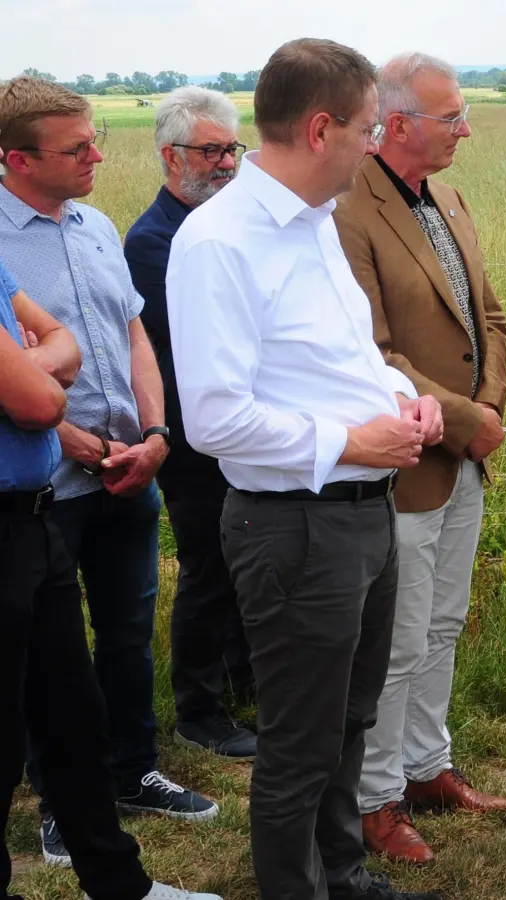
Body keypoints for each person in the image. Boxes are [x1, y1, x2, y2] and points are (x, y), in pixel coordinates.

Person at [166, 38, 445, 900]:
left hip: (363, 512)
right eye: (368, 128)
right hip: (296, 526)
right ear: (321, 129)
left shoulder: (318, 222)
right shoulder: (220, 242)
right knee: (300, 739)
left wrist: (406, 398)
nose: (376, 144)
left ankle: (341, 871)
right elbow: (215, 418)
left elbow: (343, 361)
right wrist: (352, 443)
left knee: (350, 717)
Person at [0, 75, 216, 868]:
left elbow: (133, 337)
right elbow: (15, 383)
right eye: (77, 147)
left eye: (96, 138)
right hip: (47, 485)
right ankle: (59, 803)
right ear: (18, 159)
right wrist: (77, 442)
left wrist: (155, 434)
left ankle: (133, 771)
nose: (97, 155)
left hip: (131, 468)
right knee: (43, 656)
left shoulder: (95, 225)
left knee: (127, 635)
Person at [334, 52, 506, 864]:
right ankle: (375, 801)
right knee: (398, 640)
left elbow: (490, 317)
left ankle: (427, 767)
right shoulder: (349, 209)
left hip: (465, 454)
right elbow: (371, 353)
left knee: (442, 623)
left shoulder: (446, 196)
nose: (465, 130)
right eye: (453, 118)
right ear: (398, 123)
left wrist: (488, 412)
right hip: (405, 462)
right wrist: (466, 420)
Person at [124, 85, 257, 761]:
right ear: (171, 156)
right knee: (209, 567)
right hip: (191, 436)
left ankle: (241, 682)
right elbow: (198, 341)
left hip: (240, 428)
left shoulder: (229, 226)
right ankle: (198, 713)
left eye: (232, 148)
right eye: (211, 151)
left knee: (243, 564)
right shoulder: (153, 242)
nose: (227, 163)